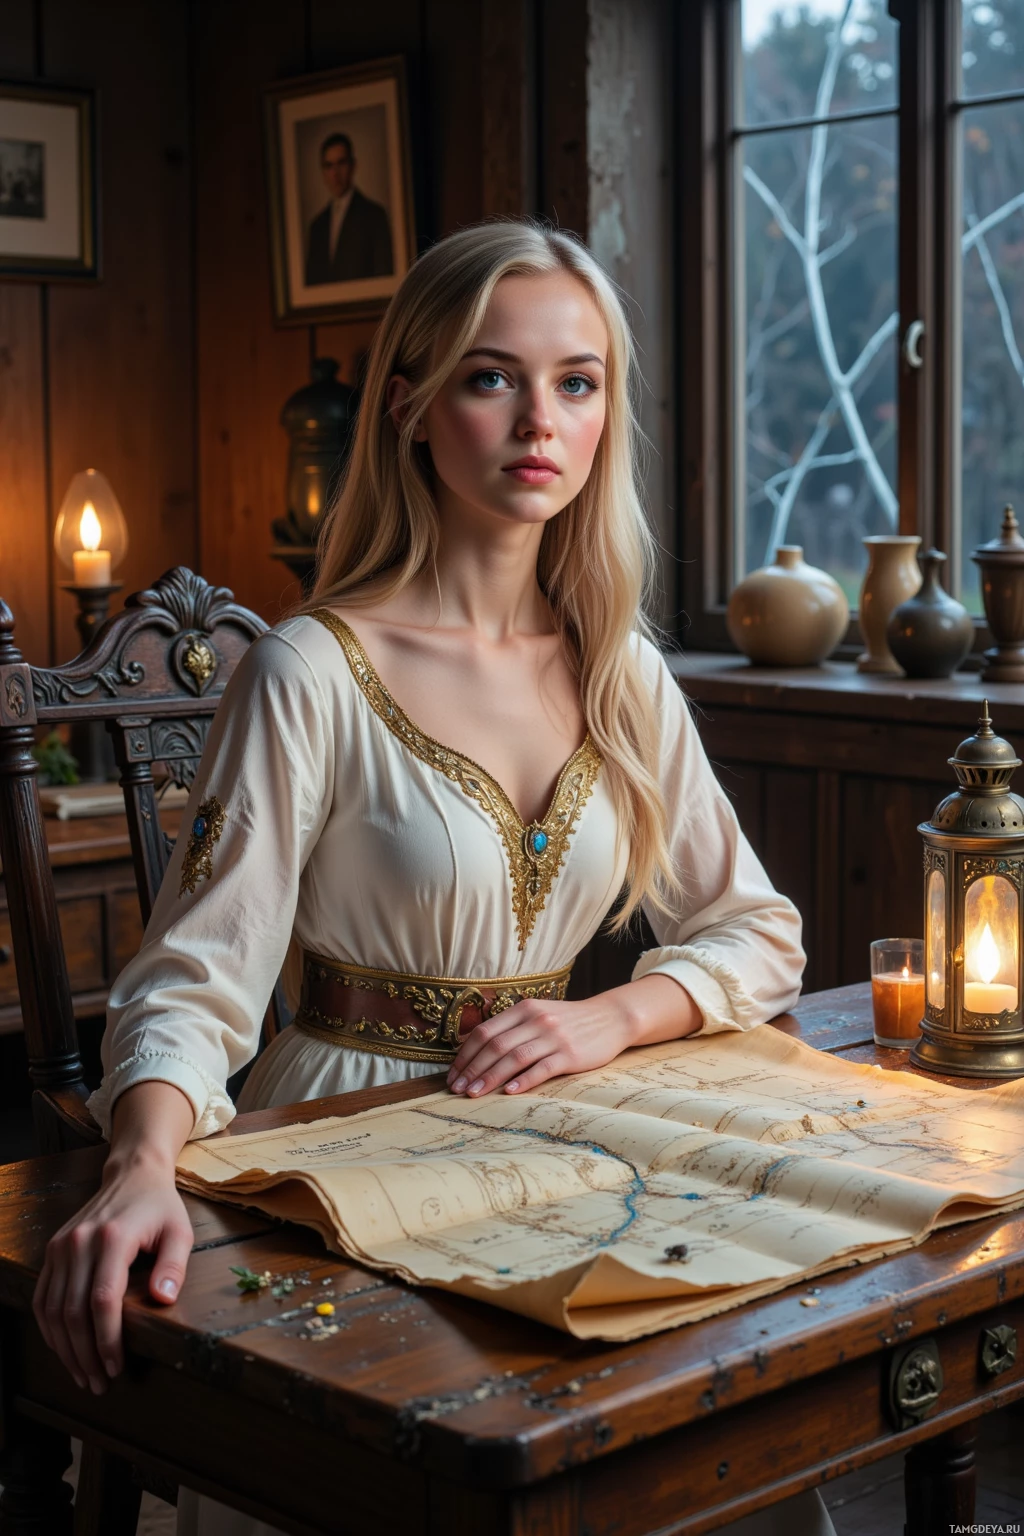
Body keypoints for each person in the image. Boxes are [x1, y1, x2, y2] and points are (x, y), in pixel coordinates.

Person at [32, 221, 834, 1536]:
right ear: (408, 403)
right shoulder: (311, 669)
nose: (541, 420)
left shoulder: (619, 669)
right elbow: (194, 979)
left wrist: (610, 1014)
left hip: (566, 1130)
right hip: (340, 1146)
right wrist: (139, 1165)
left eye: (578, 383)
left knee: (713, 1426)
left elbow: (756, 930)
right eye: (489, 376)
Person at [304, 131, 393, 285]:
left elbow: (383, 274)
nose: (335, 174)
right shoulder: (317, 227)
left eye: (341, 163)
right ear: (323, 172)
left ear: (353, 165)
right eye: (329, 166)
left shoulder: (374, 215)